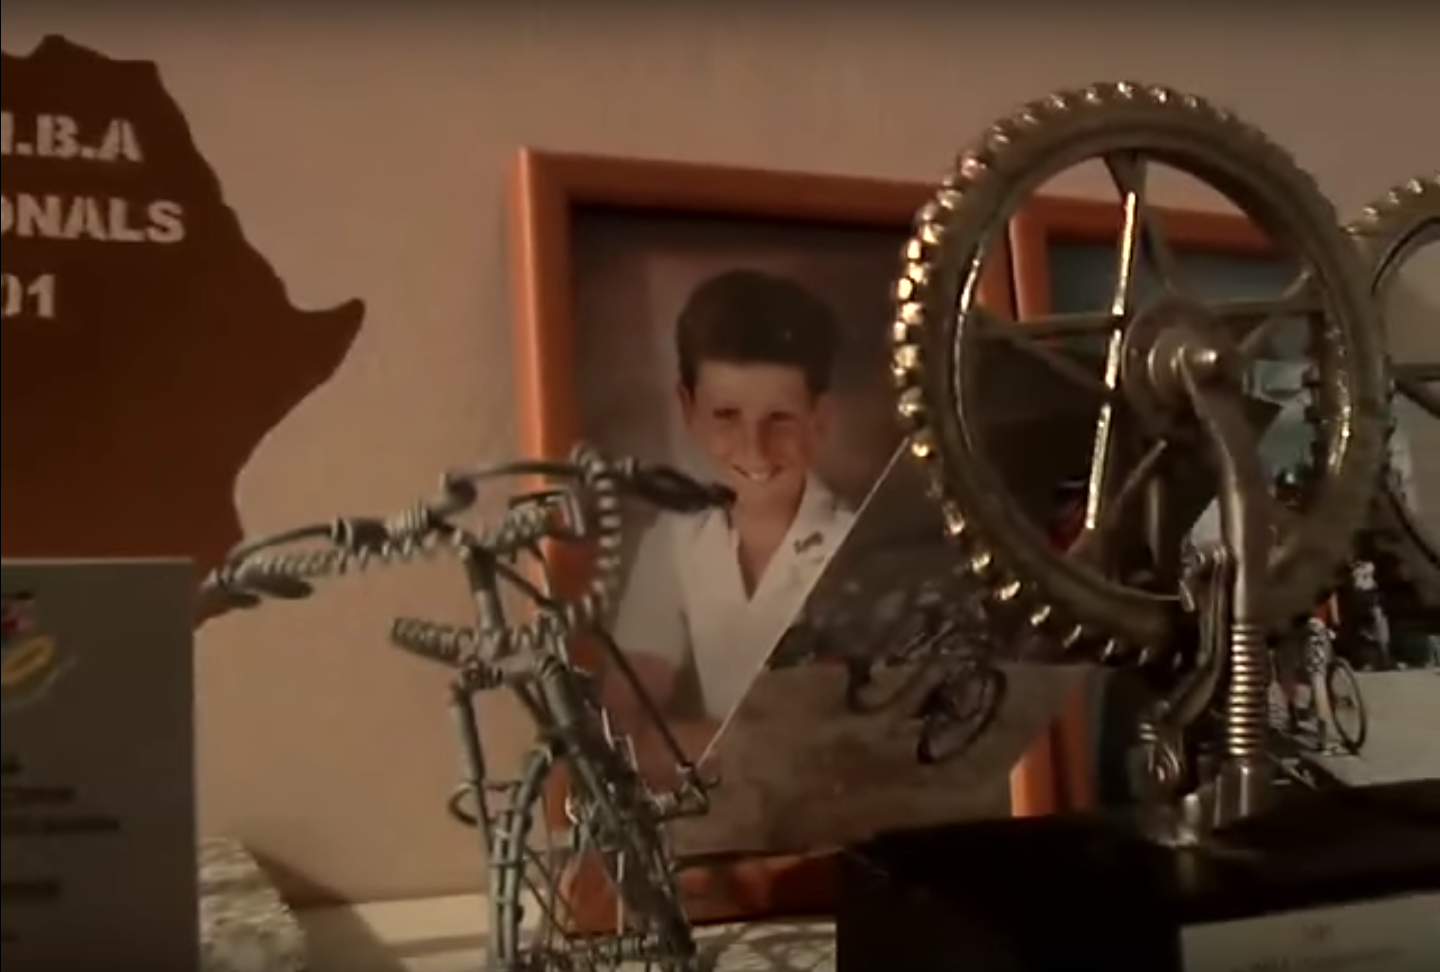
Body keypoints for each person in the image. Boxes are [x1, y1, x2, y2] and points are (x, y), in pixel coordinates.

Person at [604, 269, 855, 772]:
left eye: (780, 418)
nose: (754, 449)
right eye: (726, 416)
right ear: (688, 409)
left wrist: (691, 744)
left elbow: (856, 741)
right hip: (724, 807)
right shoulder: (675, 539)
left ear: (820, 419)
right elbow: (620, 726)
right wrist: (763, 745)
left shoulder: (857, 545)